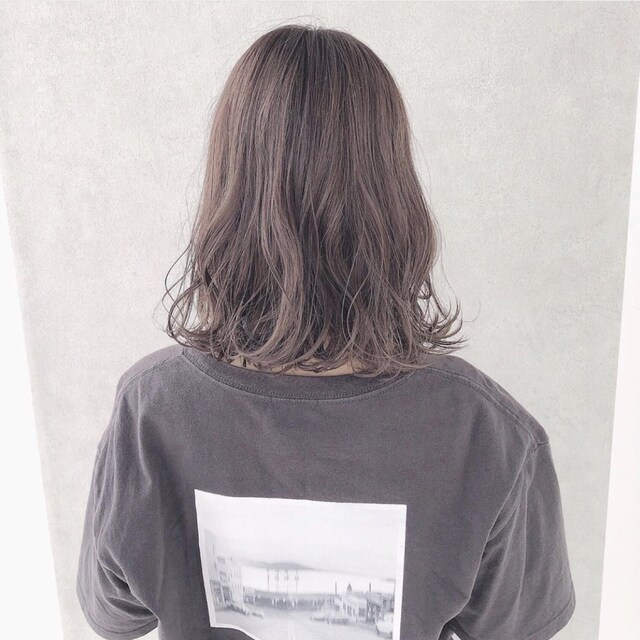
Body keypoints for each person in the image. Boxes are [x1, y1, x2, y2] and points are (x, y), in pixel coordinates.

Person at [76, 24, 576, 640]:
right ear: (394, 196)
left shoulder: (151, 411)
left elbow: (114, 614)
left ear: (229, 189)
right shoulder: (486, 433)